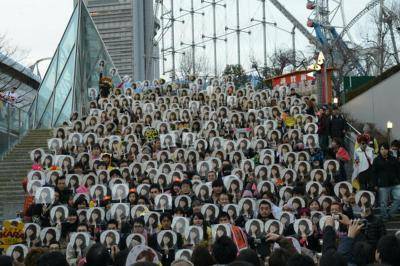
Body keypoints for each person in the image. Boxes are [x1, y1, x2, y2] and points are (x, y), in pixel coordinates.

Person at [372, 143, 400, 220]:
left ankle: (390, 214)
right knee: (383, 203)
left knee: (398, 198)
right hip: (383, 184)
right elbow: (374, 173)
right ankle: (384, 216)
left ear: (388, 150)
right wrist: (375, 184)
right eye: (381, 149)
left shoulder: (393, 159)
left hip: (395, 183)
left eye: (385, 149)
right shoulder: (376, 160)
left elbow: (398, 170)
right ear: (380, 150)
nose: (383, 151)